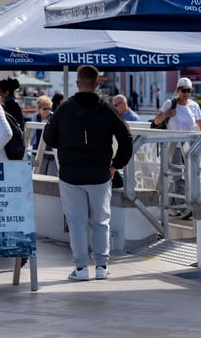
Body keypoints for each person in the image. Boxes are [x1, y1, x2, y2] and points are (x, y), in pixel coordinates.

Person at [42, 65, 133, 282]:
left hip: (70, 174)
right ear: (97, 84)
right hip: (100, 174)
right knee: (101, 221)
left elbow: (49, 138)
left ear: (77, 83)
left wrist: (66, 143)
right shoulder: (107, 109)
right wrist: (115, 164)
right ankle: (101, 266)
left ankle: (81, 268)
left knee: (77, 223)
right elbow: (126, 139)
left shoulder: (64, 109)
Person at [31, 95, 57, 176]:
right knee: (35, 172)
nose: (47, 111)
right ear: (39, 108)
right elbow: (32, 134)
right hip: (36, 149)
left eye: (49, 108)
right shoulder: (34, 117)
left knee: (51, 174)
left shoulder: (54, 117)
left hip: (51, 150)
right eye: (45, 109)